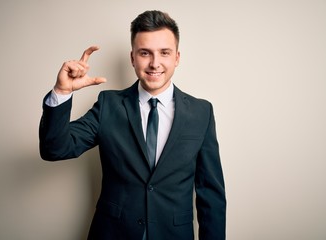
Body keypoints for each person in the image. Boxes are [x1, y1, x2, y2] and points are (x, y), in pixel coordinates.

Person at [39, 10, 226, 240]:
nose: (154, 63)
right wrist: (62, 92)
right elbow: (54, 149)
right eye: (145, 53)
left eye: (164, 53)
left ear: (177, 57)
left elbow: (211, 195)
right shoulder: (109, 105)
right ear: (132, 57)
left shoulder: (201, 112)